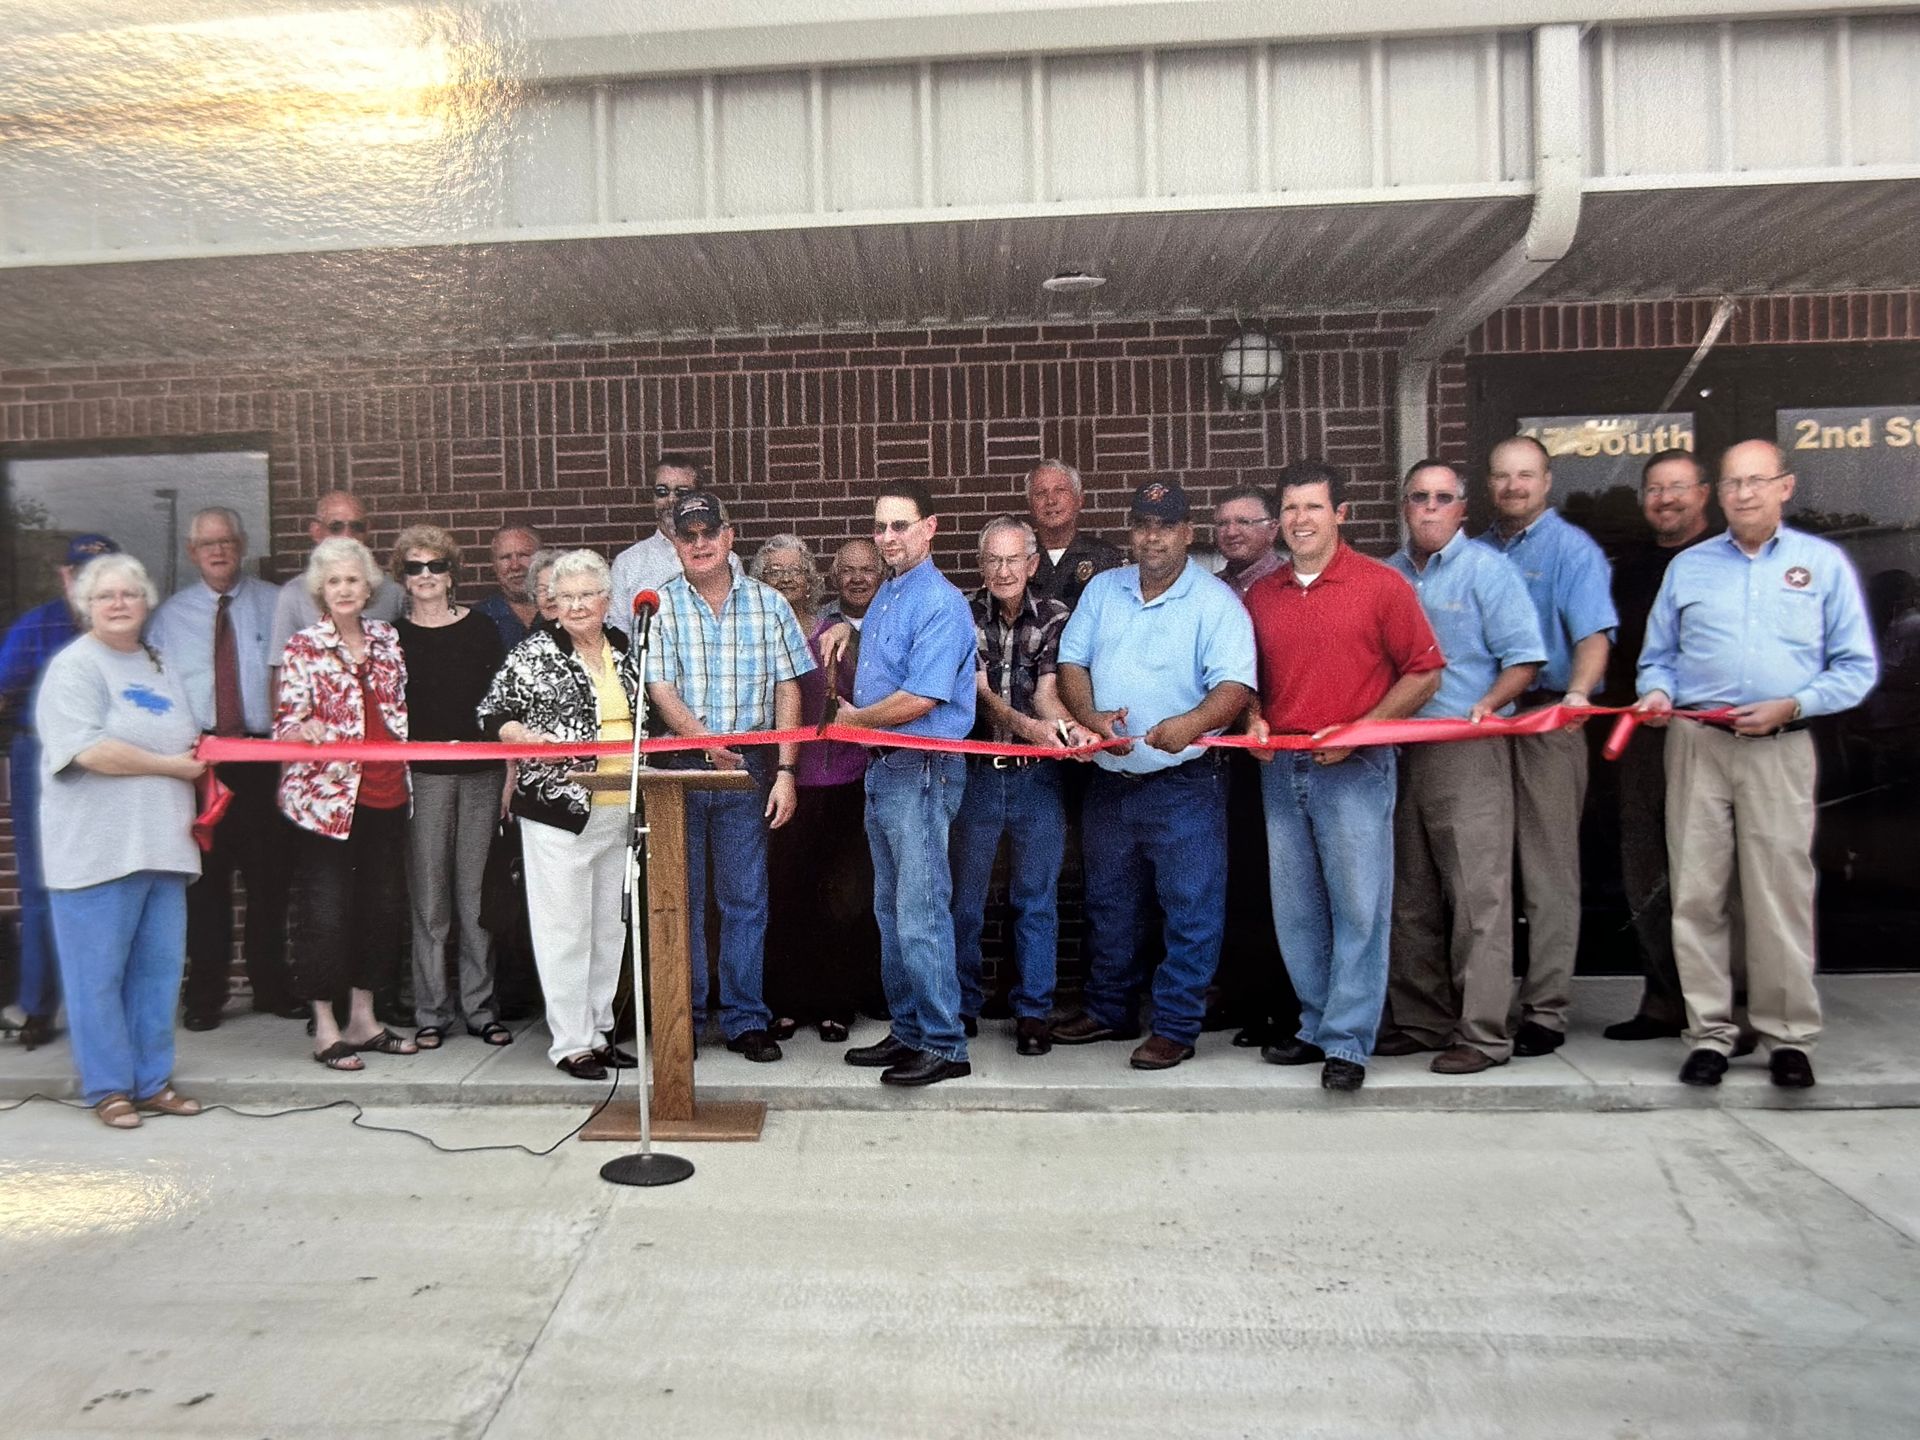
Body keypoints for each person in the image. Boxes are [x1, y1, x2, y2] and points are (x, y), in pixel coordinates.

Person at [1637, 439, 1878, 1090]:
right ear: (1719, 494)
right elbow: (1657, 655)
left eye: (1756, 481)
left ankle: (1788, 1037)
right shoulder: (1689, 567)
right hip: (1697, 742)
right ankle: (1712, 1032)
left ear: (1785, 487)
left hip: (1780, 745)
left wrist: (1794, 704)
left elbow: (1856, 668)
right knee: (1697, 894)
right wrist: (1656, 691)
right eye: (1732, 483)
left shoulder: (1820, 564)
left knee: (1779, 895)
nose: (1743, 493)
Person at [1246, 461, 1444, 1092]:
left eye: (1313, 507)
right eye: (1291, 509)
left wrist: (1362, 729)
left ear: (1341, 514)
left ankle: (1350, 1042)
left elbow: (1424, 672)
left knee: (1359, 908)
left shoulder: (1380, 586)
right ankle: (1314, 1024)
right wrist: (1252, 719)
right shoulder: (1262, 595)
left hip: (1355, 769)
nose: (1300, 520)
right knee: (1297, 909)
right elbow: (1243, 679)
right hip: (1282, 767)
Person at [1055, 480, 1257, 1070]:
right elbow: (1073, 663)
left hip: (1184, 783)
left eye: (1165, 526)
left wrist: (1192, 723)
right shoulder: (1103, 589)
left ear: (1187, 534)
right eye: (1143, 525)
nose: (1152, 536)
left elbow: (1234, 687)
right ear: (1131, 531)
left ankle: (1174, 1025)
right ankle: (1109, 1009)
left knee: (1190, 908)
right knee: (1109, 904)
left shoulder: (1215, 601)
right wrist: (1090, 718)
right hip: (1110, 780)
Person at [1381, 461, 1545, 1074]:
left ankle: (1483, 1032)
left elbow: (1524, 658)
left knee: (1479, 898)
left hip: (1465, 749)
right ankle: (1423, 1020)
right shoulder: (1387, 576)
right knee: (1410, 894)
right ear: (1404, 506)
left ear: (1461, 509)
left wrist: (1490, 703)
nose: (1429, 508)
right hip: (1397, 750)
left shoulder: (1488, 571)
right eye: (1418, 497)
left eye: (1442, 498)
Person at [34, 552, 207, 1129]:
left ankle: (152, 1082)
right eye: (105, 595)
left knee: (157, 974)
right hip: (97, 852)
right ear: (86, 605)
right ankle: (109, 1089)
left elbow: (192, 738)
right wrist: (171, 767)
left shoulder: (158, 662)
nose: (117, 604)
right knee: (97, 978)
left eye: (128, 594)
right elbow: (88, 750)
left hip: (162, 845)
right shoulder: (75, 668)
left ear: (145, 602)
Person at [646, 493, 811, 1063]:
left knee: (745, 899)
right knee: (682, 900)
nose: (698, 543)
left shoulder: (770, 605)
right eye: (686, 534)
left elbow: (789, 687)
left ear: (729, 535)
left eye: (707, 532)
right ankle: (683, 1017)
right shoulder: (659, 606)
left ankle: (745, 1019)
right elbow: (660, 689)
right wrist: (703, 742)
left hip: (750, 767)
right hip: (681, 769)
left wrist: (786, 771)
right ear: (675, 542)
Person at [826, 481, 978, 1087]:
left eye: (900, 526)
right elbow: (888, 664)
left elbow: (921, 696)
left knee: (919, 911)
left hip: (921, 769)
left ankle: (945, 1044)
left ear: (929, 528)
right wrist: (848, 635)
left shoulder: (941, 602)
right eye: (881, 527)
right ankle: (911, 1030)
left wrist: (852, 722)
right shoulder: (891, 593)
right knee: (891, 911)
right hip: (885, 769)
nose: (889, 538)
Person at [1475, 435, 1618, 1057]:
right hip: (1478, 725)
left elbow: (1592, 635)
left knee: (1547, 870)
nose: (1513, 486)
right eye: (1503, 476)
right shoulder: (1473, 552)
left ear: (1548, 481)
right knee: (1485, 874)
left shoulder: (1572, 550)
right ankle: (1483, 1002)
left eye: (1525, 475)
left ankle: (1546, 1008)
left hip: (1545, 719)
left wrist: (1581, 694)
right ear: (1489, 483)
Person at [477, 550, 640, 1081]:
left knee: (607, 930)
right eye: (563, 597)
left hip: (618, 808)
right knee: (565, 930)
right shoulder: (534, 652)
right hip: (557, 810)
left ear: (606, 600)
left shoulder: (623, 647)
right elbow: (493, 712)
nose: (573, 606)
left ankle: (599, 1032)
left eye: (585, 595)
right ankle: (572, 1044)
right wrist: (518, 736)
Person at [146, 507, 301, 1031]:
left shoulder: (273, 602)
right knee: (206, 887)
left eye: (226, 541)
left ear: (241, 544)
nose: (217, 551)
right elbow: (160, 696)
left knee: (269, 883)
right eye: (207, 544)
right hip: (204, 766)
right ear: (193, 554)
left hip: (262, 761)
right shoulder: (170, 617)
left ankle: (271, 988)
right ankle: (206, 996)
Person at [276, 537, 419, 1072]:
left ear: (368, 587)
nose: (343, 589)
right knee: (326, 916)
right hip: (325, 806)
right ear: (321, 589)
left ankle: (364, 1018)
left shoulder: (386, 638)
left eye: (352, 580)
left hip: (386, 796)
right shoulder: (302, 646)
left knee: (379, 911)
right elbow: (286, 723)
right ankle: (327, 1026)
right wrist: (302, 726)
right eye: (333, 581)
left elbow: (401, 709)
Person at [949, 517, 1090, 1056]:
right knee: (966, 899)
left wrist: (1067, 728)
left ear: (1032, 565)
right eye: (994, 560)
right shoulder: (960, 612)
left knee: (1037, 898)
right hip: (978, 774)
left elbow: (1050, 693)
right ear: (981, 567)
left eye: (1014, 560)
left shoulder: (1056, 615)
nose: (1004, 571)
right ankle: (963, 1004)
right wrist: (1030, 727)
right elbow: (977, 694)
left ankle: (1033, 1011)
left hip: (1038, 781)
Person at [1602, 449, 1717, 1042]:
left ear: (1704, 493)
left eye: (1678, 487)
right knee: (1646, 862)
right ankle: (1663, 997)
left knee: (1711, 872)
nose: (1665, 499)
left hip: (1713, 734)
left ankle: (1722, 1004)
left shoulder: (1727, 559)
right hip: (1641, 738)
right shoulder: (1631, 568)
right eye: (1654, 488)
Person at [756, 535, 883, 1041]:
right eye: (774, 572)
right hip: (785, 780)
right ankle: (788, 1001)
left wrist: (847, 649)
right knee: (788, 893)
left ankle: (835, 1002)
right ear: (760, 582)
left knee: (842, 895)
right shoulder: (756, 630)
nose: (787, 580)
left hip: (843, 778)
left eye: (795, 571)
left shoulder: (834, 630)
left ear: (812, 579)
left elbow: (864, 692)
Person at [391, 525, 510, 1050]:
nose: (425, 576)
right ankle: (432, 1010)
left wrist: (510, 771)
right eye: (414, 567)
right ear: (403, 576)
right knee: (430, 903)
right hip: (424, 780)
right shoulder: (392, 636)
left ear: (450, 573)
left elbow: (504, 703)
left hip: (482, 777)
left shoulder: (481, 629)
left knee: (475, 900)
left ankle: (481, 1009)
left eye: (434, 566)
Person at [0, 532, 119, 1050]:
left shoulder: (124, 629)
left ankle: (102, 1002)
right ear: (65, 577)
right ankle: (39, 1008)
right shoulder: (38, 624)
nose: (89, 583)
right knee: (42, 884)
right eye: (79, 572)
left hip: (109, 760)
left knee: (109, 881)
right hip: (41, 758)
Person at [1206, 486, 1295, 1049]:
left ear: (1273, 528)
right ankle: (1240, 995)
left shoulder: (1284, 585)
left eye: (1245, 521)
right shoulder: (1212, 591)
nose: (1232, 531)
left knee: (1282, 884)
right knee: (1236, 878)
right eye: (1223, 523)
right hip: (1228, 756)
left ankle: (1282, 1005)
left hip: (1280, 749)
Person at [268, 491, 402, 667]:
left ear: (367, 530)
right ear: (316, 531)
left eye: (357, 526)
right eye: (336, 527)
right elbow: (280, 669)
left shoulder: (392, 591)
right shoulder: (293, 594)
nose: (347, 535)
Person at [610, 453, 740, 616]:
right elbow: (619, 633)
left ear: (698, 496)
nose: (671, 499)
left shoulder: (727, 560)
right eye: (662, 491)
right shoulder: (627, 563)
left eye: (681, 492)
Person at [1026, 459, 1125, 609]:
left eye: (1060, 490)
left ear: (1079, 499)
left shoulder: (1106, 557)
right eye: (1041, 493)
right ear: (1030, 505)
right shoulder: (1019, 558)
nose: (1051, 500)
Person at [475, 525, 542, 650]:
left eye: (523, 555)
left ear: (541, 560)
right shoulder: (479, 619)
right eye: (505, 557)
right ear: (494, 566)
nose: (515, 566)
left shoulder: (562, 612)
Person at [822, 538, 884, 630]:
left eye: (867, 570)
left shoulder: (896, 617)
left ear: (882, 577)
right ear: (835, 578)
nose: (857, 579)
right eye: (847, 571)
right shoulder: (818, 621)